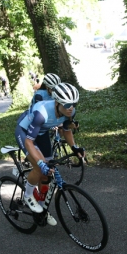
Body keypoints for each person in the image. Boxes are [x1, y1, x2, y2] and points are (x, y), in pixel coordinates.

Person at [15, 83, 85, 225]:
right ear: (57, 102)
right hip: (25, 133)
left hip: (41, 133)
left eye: (73, 104)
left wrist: (75, 148)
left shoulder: (69, 112)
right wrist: (40, 162)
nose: (70, 108)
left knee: (48, 172)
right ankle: (28, 195)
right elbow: (29, 142)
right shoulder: (42, 113)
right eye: (67, 105)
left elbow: (66, 130)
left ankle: (41, 208)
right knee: (40, 167)